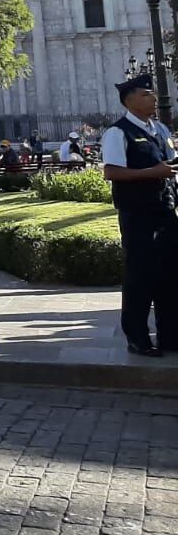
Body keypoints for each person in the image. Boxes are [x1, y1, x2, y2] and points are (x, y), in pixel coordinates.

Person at [100, 72, 178, 356]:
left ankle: (171, 336)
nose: (154, 98)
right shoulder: (118, 132)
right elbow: (112, 172)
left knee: (171, 276)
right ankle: (138, 338)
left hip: (166, 212)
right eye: (146, 94)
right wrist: (153, 172)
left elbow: (169, 165)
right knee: (141, 277)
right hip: (139, 215)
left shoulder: (160, 130)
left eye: (152, 94)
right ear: (129, 101)